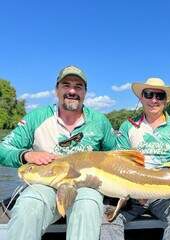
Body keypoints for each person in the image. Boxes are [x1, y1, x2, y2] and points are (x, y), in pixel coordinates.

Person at [0, 65, 116, 240]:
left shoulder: (100, 121)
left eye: (78, 86)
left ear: (85, 92)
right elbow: (3, 149)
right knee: (29, 205)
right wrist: (26, 155)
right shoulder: (36, 118)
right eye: (66, 85)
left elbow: (114, 157)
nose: (72, 90)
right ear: (57, 90)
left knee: (88, 204)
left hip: (85, 187)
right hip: (44, 186)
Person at [101, 77, 170, 240]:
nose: (154, 100)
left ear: (166, 101)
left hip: (167, 194)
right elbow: (120, 163)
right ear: (141, 98)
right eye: (148, 94)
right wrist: (134, 188)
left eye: (159, 96)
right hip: (132, 193)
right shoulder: (128, 127)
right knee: (104, 212)